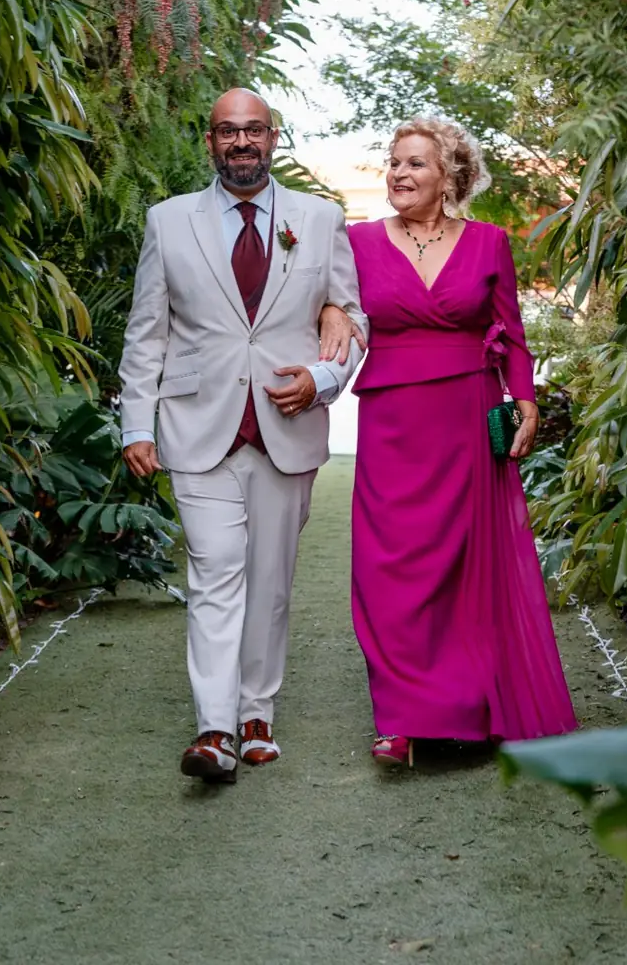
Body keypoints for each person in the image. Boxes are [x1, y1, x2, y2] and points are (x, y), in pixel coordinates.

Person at [119, 88, 367, 784]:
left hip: (286, 429)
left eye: (253, 129)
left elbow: (351, 321)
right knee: (215, 572)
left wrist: (320, 380)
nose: (241, 142)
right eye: (227, 131)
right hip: (197, 427)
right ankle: (216, 727)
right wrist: (137, 419)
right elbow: (147, 333)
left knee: (271, 581)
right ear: (210, 141)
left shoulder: (320, 220)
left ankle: (259, 711)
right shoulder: (169, 223)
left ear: (274, 137)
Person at [330, 115, 577, 767]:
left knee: (464, 567)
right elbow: (334, 304)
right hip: (392, 422)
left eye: (415, 163)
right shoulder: (355, 242)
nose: (398, 173)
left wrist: (524, 398)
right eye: (394, 161)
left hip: (467, 414)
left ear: (449, 177)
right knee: (390, 567)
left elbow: (512, 331)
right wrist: (329, 308)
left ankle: (463, 711)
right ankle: (401, 718)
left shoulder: (490, 242)